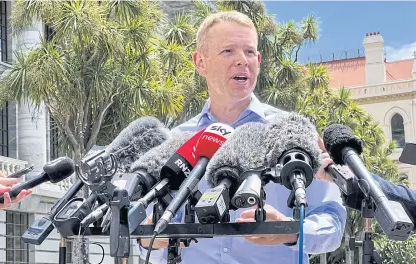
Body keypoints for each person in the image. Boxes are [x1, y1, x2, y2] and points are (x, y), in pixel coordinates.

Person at [138, 11, 347, 264]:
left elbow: (333, 222)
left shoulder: (294, 135)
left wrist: (291, 231)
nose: (242, 61)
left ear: (258, 60)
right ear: (200, 62)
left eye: (249, 52)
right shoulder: (176, 140)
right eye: (228, 51)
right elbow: (145, 235)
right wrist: (150, 236)